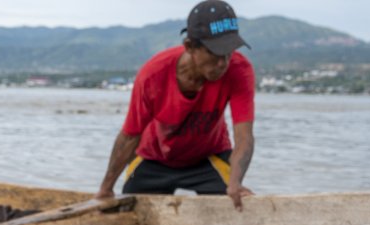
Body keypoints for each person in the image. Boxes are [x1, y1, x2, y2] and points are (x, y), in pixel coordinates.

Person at [96, 1, 255, 210]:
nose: (223, 63)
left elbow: (244, 136)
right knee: (131, 213)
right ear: (190, 47)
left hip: (209, 157)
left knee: (238, 206)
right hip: (154, 158)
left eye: (229, 52)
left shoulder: (239, 70)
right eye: (215, 53)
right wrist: (106, 188)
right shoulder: (153, 74)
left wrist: (235, 182)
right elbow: (130, 135)